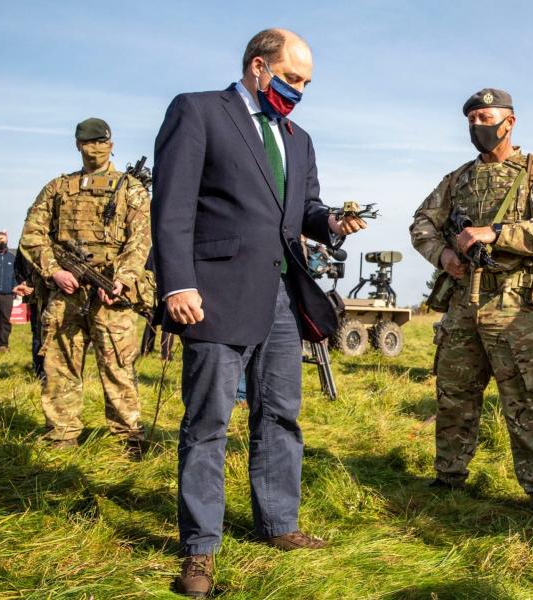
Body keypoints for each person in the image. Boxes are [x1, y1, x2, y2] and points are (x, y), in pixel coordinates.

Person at [152, 28, 365, 597]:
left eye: (307, 84)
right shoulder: (198, 112)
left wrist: (332, 223)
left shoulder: (298, 139)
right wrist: (178, 283)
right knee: (208, 424)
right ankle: (199, 552)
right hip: (213, 293)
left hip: (281, 297)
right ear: (258, 67)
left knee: (280, 415)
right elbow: (170, 206)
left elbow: (306, 208)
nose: (300, 91)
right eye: (293, 79)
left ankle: (278, 524)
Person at [410, 88, 533, 511]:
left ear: (509, 122)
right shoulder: (457, 180)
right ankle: (449, 477)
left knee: (524, 402)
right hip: (464, 303)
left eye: (485, 117)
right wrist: (444, 255)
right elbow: (421, 224)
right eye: (471, 119)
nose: (477, 125)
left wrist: (496, 234)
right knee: (454, 396)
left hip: (516, 308)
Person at [20, 117, 152, 452]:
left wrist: (121, 280)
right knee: (60, 366)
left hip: (110, 295)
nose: (95, 148)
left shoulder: (130, 189)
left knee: (119, 368)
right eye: (88, 142)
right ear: (78, 145)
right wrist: (53, 271)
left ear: (112, 144)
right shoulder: (57, 188)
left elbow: (140, 242)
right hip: (65, 295)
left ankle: (129, 440)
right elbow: (33, 235)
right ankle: (61, 435)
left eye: (100, 142)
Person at [13, 247, 45, 378]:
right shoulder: (26, 242)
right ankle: (40, 372)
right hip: (34, 297)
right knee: (38, 333)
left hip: (55, 295)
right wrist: (23, 283)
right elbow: (18, 267)